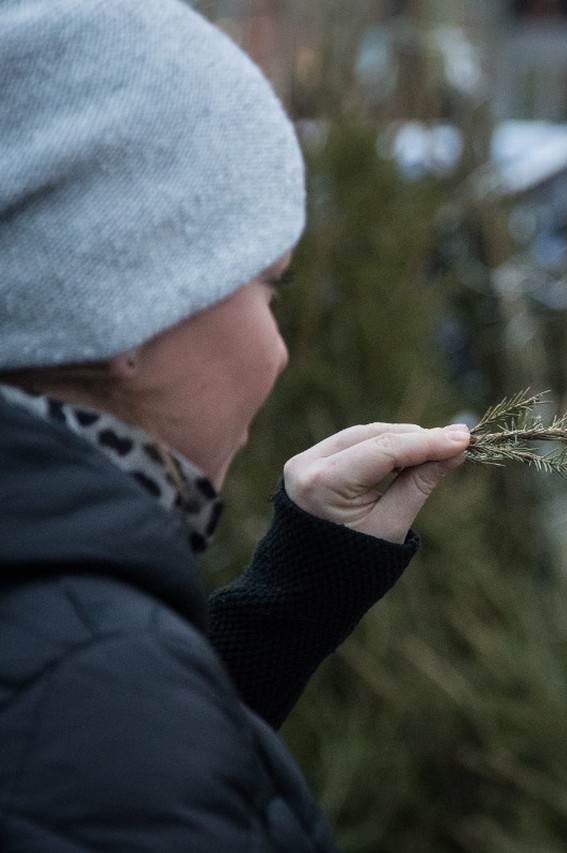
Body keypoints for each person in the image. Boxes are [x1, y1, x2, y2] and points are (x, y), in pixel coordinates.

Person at [0, 1, 468, 849]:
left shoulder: (65, 649)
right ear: (132, 308)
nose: (280, 350)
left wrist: (297, 589)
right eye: (267, 286)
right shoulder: (95, 699)